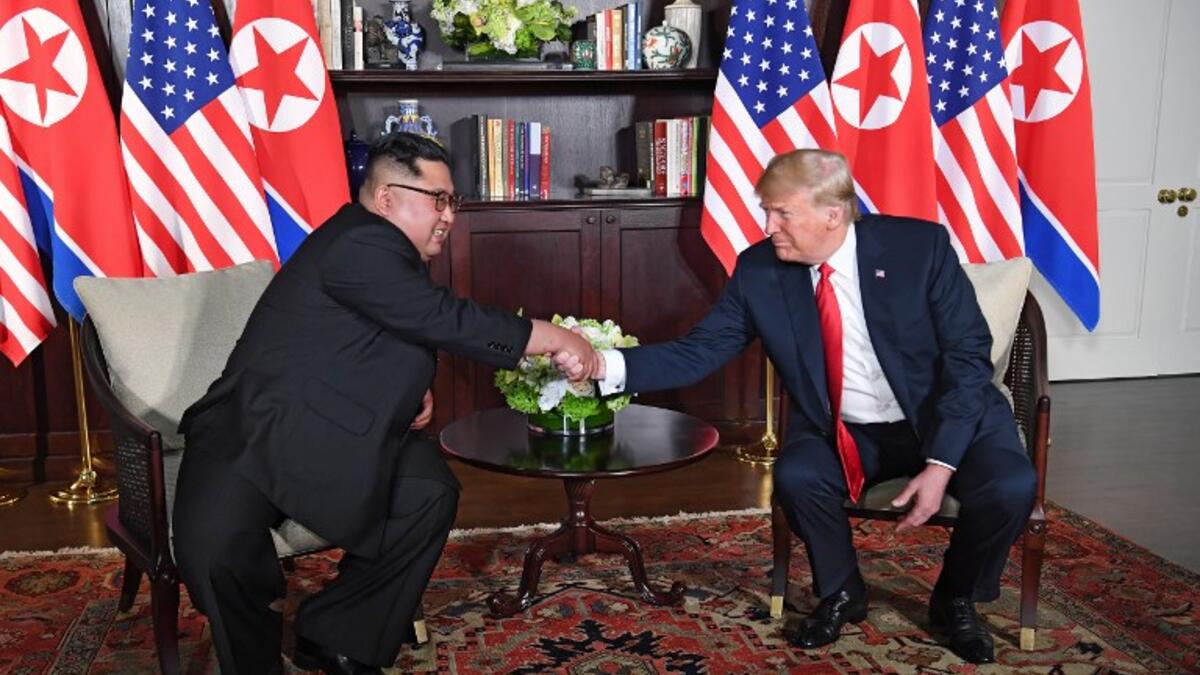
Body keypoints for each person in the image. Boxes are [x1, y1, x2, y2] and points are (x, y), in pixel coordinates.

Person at [571, 149, 1036, 664]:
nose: (769, 226)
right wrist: (600, 366)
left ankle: (956, 596)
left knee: (1011, 485)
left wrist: (942, 462)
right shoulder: (759, 270)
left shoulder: (918, 247)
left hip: (943, 414)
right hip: (845, 425)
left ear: (832, 213)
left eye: (781, 213)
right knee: (797, 476)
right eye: (766, 212)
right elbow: (700, 351)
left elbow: (969, 360)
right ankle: (841, 591)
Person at [173, 132, 599, 674]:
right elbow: (441, 318)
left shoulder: (383, 250)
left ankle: (335, 633)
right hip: (255, 430)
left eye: (453, 202)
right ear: (385, 198)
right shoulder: (361, 240)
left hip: (340, 428)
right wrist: (553, 336)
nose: (448, 215)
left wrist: (408, 386)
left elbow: (384, 328)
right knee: (216, 553)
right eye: (436, 199)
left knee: (429, 493)